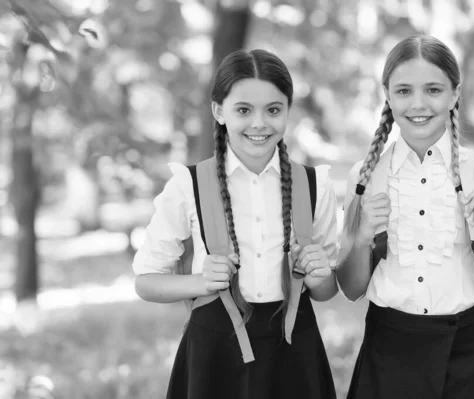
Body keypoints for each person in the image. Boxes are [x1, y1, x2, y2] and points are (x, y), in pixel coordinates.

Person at [337, 35, 474, 399]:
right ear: (387, 94)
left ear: (455, 94)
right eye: (404, 91)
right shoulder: (364, 178)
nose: (418, 104)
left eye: (433, 89)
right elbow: (350, 288)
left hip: (464, 357)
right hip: (387, 355)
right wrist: (362, 237)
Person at [132, 49, 338, 399]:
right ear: (218, 111)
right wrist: (200, 281)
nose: (259, 124)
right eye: (243, 110)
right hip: (213, 357)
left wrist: (321, 275)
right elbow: (145, 282)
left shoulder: (315, 185)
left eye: (273, 110)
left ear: (288, 110)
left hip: (295, 357)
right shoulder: (189, 185)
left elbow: (327, 290)